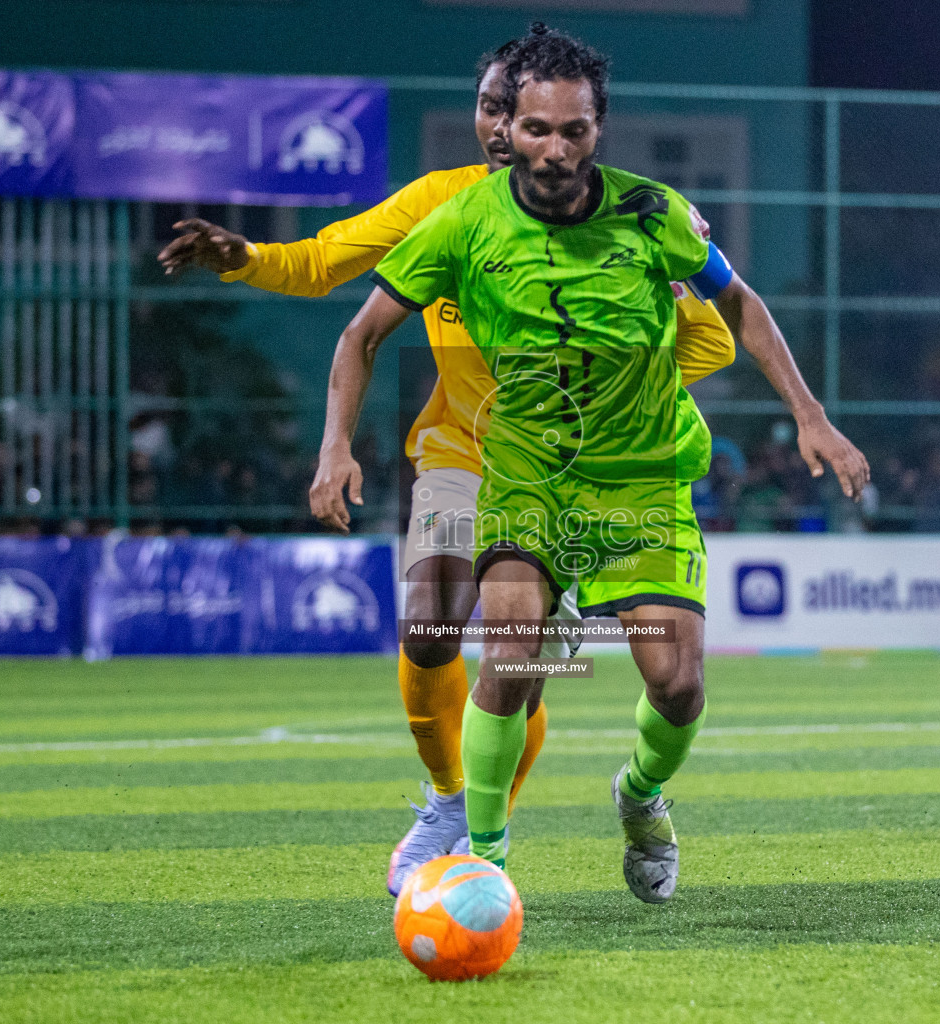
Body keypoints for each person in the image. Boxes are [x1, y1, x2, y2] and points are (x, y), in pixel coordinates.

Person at [156, 30, 738, 896]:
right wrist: (246, 260)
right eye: (491, 106)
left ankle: (490, 824)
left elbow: (714, 336)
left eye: (521, 109)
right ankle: (447, 804)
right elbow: (325, 264)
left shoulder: (618, 218)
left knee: (522, 673)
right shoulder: (446, 205)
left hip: (590, 466)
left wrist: (593, 378)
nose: (504, 126)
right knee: (430, 614)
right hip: (460, 451)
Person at [313, 26, 867, 902]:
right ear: (509, 130)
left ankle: (640, 797)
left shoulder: (655, 214)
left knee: (677, 684)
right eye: (536, 128)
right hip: (526, 476)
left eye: (573, 130)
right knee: (511, 655)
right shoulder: (460, 220)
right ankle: (482, 866)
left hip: (640, 481)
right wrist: (334, 445)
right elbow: (361, 333)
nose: (554, 148)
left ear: (598, 127)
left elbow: (742, 306)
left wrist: (812, 417)